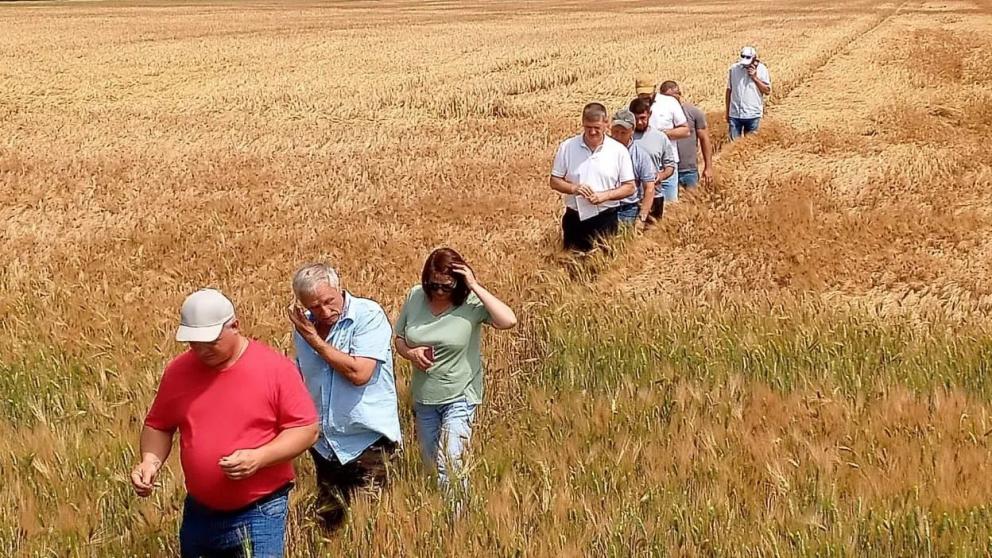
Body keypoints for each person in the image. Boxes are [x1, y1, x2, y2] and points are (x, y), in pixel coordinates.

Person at [131, 288, 319, 558]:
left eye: (211, 341)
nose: (201, 350)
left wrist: (259, 457)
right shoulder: (178, 371)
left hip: (260, 510)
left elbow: (306, 429)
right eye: (193, 342)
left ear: (235, 326)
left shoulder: (275, 369)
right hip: (199, 511)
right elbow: (159, 424)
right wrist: (150, 461)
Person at [394, 248, 517, 501]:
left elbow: (508, 321)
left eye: (446, 286)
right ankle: (437, 513)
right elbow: (399, 339)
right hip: (425, 396)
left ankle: (456, 522)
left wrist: (474, 285)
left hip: (460, 394)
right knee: (430, 467)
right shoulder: (415, 296)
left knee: (449, 461)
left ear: (457, 283)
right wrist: (410, 353)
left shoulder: (471, 303)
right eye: (433, 285)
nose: (438, 291)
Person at [287, 263, 402, 532]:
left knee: (372, 529)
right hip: (326, 445)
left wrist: (315, 341)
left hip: (368, 442)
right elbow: (306, 377)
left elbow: (359, 372)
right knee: (330, 529)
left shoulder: (368, 315)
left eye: (329, 301)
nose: (324, 312)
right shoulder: (304, 327)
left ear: (340, 288)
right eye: (314, 307)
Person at [549, 102, 636, 252]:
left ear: (606, 123)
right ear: (582, 123)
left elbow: (630, 187)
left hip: (606, 218)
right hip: (575, 219)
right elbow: (554, 181)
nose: (593, 132)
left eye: (597, 127)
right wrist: (574, 188)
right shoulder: (567, 147)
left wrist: (605, 196)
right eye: (588, 127)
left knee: (605, 269)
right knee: (572, 267)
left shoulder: (619, 151)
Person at [629, 97, 677, 221]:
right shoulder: (625, 137)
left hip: (654, 195)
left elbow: (670, 165)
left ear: (649, 115)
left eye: (643, 118)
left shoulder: (660, 137)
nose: (639, 122)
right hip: (629, 198)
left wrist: (661, 176)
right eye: (636, 118)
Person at [660, 80, 713, 188]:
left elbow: (704, 139)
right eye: (668, 98)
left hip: (689, 170)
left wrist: (708, 167)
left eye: (674, 96)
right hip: (667, 170)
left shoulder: (693, 113)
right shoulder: (657, 116)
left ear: (680, 94)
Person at [611, 109, 657, 230]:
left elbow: (649, 188)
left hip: (627, 210)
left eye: (623, 132)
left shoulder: (641, 156)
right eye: (615, 131)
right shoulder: (600, 151)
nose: (618, 136)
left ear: (632, 131)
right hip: (604, 209)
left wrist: (642, 218)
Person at [726, 46, 771, 140]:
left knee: (751, 147)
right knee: (733, 147)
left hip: (753, 115)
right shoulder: (734, 69)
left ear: (754, 58)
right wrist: (728, 112)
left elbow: (767, 91)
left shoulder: (762, 69)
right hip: (735, 115)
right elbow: (729, 90)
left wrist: (755, 78)